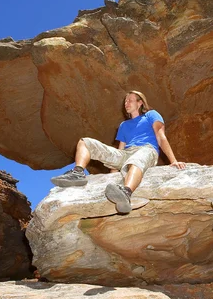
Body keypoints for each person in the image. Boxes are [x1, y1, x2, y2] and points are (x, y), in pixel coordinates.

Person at [51, 90, 186, 213]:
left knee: (136, 160)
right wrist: (113, 174)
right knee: (85, 142)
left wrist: (173, 161)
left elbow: (161, 137)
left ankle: (126, 192)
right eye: (125, 101)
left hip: (147, 149)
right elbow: (120, 150)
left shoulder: (151, 115)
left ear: (140, 103)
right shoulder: (124, 125)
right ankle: (77, 173)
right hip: (126, 153)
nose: (126, 103)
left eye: (130, 100)